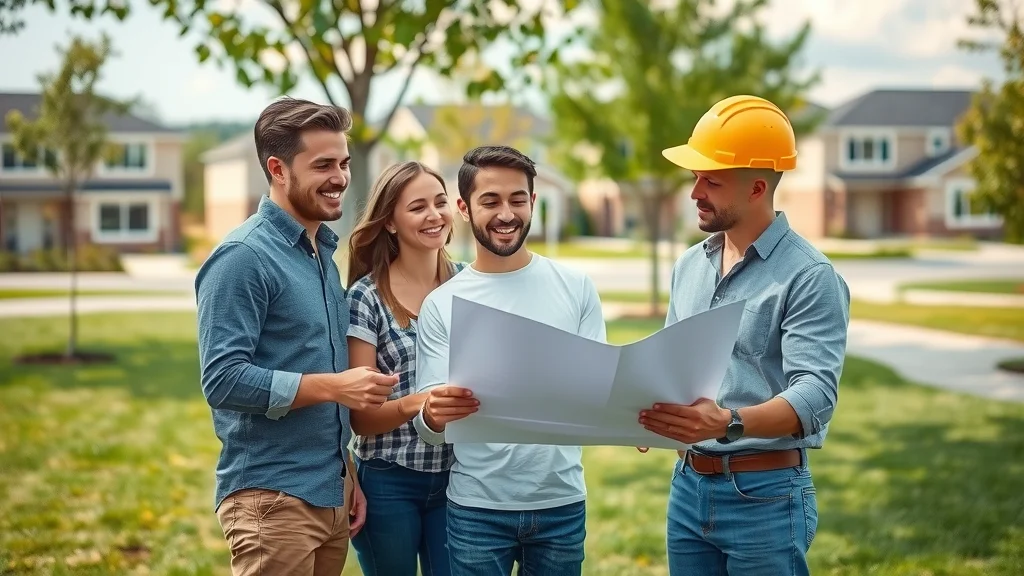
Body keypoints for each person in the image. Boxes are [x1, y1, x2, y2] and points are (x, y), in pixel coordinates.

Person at [637, 94, 851, 575]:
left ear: (757, 188)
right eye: (695, 178)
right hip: (688, 489)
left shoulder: (809, 276)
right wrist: (640, 413)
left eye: (711, 181)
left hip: (765, 498)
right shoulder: (690, 265)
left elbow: (816, 398)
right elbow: (670, 365)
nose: (694, 192)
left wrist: (724, 423)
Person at [195, 96, 399, 576]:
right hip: (272, 501)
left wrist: (345, 474)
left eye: (344, 163)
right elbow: (222, 380)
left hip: (330, 496)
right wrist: (336, 386)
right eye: (323, 165)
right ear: (277, 169)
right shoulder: (242, 258)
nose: (340, 178)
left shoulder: (319, 252)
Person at [410, 145, 606, 576]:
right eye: (490, 201)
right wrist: (435, 413)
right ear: (463, 208)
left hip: (561, 504)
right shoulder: (443, 305)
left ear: (533, 202)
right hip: (477, 508)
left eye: (518, 199)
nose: (506, 214)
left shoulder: (575, 288)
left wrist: (630, 415)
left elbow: (598, 395)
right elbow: (428, 431)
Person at [345, 160, 465, 576]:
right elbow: (360, 418)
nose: (434, 215)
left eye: (440, 202)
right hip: (387, 479)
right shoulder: (366, 298)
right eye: (418, 207)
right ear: (391, 222)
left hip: (459, 477)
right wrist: (416, 404)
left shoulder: (470, 286)